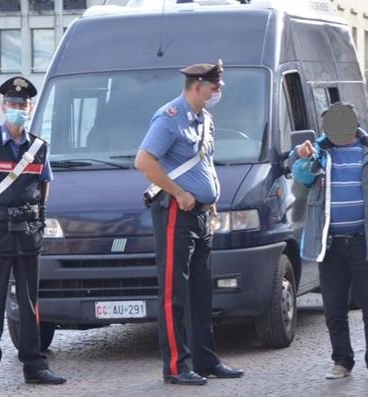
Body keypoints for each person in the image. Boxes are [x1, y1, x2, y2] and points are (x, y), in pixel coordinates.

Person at [134, 60, 244, 386]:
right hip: (175, 213)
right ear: (197, 85)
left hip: (200, 214)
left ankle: (205, 359)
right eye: (214, 87)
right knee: (174, 293)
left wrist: (212, 198)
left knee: (200, 291)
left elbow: (205, 162)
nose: (218, 92)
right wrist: (179, 192)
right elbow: (144, 161)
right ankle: (175, 366)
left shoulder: (205, 119)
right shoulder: (169, 118)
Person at [291, 102, 368, 380]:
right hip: (330, 244)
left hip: (366, 242)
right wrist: (304, 158)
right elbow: (300, 177)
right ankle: (341, 361)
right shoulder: (319, 154)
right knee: (334, 308)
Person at [0, 76, 66, 391]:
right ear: (4, 106)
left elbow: (43, 188)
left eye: (23, 105)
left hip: (27, 236)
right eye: (13, 104)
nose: (18, 109)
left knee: (30, 304)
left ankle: (34, 366)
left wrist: (32, 216)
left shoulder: (38, 148)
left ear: (30, 107)